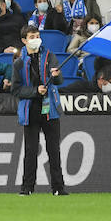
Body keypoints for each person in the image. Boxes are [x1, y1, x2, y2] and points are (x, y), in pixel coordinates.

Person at [12, 27, 66, 195]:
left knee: (54, 149)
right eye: (31, 36)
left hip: (50, 108)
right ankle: (27, 188)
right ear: (24, 40)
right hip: (30, 110)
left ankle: (58, 187)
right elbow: (16, 90)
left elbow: (59, 81)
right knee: (31, 150)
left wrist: (56, 76)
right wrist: (35, 91)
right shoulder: (19, 62)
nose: (36, 38)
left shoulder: (50, 56)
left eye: (37, 36)